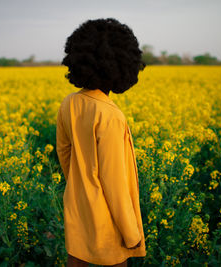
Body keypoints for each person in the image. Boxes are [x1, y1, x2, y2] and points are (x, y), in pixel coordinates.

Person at [56, 18, 146, 267]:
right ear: (121, 65)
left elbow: (65, 155)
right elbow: (114, 181)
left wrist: (80, 188)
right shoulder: (110, 115)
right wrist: (131, 234)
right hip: (109, 227)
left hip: (78, 217)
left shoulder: (68, 104)